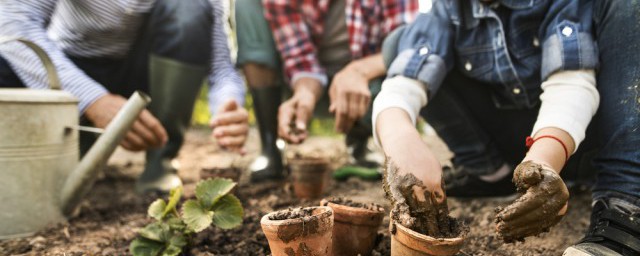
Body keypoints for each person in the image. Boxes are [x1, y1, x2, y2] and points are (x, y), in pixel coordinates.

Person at [375, 0, 639, 254]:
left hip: (580, 141)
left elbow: (570, 85)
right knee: (399, 43)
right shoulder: (448, 9)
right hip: (515, 151)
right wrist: (401, 140)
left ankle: (624, 202)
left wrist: (543, 160)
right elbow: (403, 86)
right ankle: (492, 175)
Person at [0, 0, 249, 194]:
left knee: (190, 7)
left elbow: (221, 67)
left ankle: (160, 160)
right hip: (75, 67)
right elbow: (12, 21)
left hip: (146, 74)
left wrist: (228, 106)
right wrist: (92, 100)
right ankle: (72, 143)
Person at [235, 0, 419, 181]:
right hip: (303, 85)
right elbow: (300, 59)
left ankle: (359, 141)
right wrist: (305, 92)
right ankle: (270, 146)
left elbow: (408, 45)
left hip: (368, 87)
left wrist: (358, 72)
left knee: (407, 71)